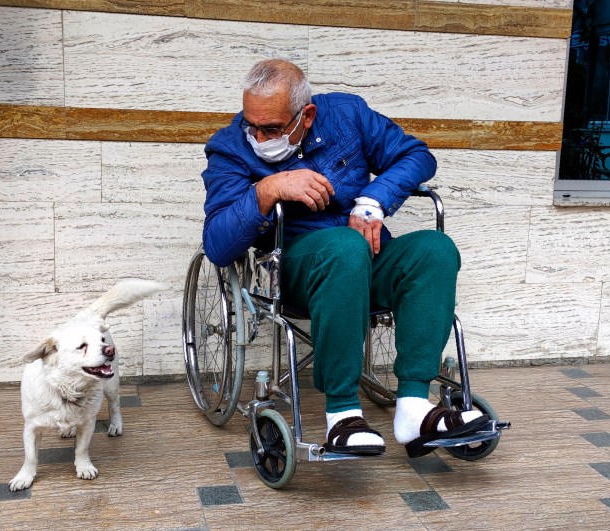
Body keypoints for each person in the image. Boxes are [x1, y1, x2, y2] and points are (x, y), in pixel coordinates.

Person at [201, 59, 488, 458]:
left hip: (367, 255)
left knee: (435, 250)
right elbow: (217, 244)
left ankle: (413, 407)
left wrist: (375, 200)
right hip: (296, 268)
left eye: (272, 128)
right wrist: (267, 190)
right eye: (252, 124)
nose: (258, 136)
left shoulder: (347, 115)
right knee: (343, 248)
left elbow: (417, 156)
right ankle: (342, 414)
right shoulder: (230, 147)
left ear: (308, 115)